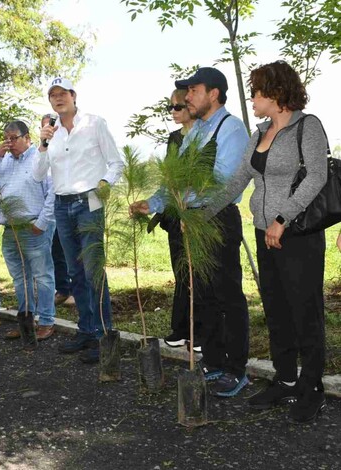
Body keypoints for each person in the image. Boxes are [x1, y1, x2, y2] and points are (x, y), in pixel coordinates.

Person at [204, 61, 328, 422]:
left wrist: (281, 218)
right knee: (276, 309)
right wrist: (203, 214)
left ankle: (312, 388)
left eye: (257, 91)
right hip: (265, 233)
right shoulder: (259, 133)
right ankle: (286, 379)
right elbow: (237, 180)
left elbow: (316, 177)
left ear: (276, 94)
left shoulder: (308, 126)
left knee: (305, 310)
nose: (252, 98)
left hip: (297, 236)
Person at [130, 67, 250, 397]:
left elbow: (223, 182)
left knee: (228, 296)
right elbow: (177, 179)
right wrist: (152, 203)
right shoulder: (196, 133)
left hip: (217, 220)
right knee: (203, 294)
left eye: (194, 90)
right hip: (191, 219)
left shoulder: (231, 129)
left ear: (214, 94)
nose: (187, 97)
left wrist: (194, 211)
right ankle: (213, 362)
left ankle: (237, 370)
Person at [34, 77, 125, 364]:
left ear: (74, 95)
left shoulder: (95, 123)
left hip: (89, 202)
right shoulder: (53, 134)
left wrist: (104, 184)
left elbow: (116, 163)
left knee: (93, 271)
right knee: (75, 272)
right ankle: (86, 330)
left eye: (63, 93)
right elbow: (37, 175)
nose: (58, 99)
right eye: (53, 95)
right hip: (62, 205)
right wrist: (43, 142)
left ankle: (105, 334)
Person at [0, 121, 56, 341]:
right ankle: (26, 321)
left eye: (13, 138)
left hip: (34, 227)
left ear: (27, 138)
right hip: (10, 229)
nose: (9, 143)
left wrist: (42, 223)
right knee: (19, 278)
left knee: (42, 276)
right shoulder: (3, 160)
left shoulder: (41, 157)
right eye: (6, 138)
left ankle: (46, 321)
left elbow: (52, 193)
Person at [142, 90, 196, 350]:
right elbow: (168, 182)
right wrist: (150, 204)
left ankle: (202, 331)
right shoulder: (174, 138)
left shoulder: (207, 136)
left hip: (199, 214)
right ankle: (182, 327)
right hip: (175, 216)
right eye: (170, 107)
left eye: (178, 106)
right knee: (182, 273)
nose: (173, 112)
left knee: (201, 274)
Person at [40, 114, 74, 308]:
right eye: (45, 127)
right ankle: (62, 289)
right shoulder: (42, 150)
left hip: (65, 207)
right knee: (55, 254)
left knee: (69, 253)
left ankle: (75, 291)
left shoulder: (65, 147)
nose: (49, 130)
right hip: (49, 214)